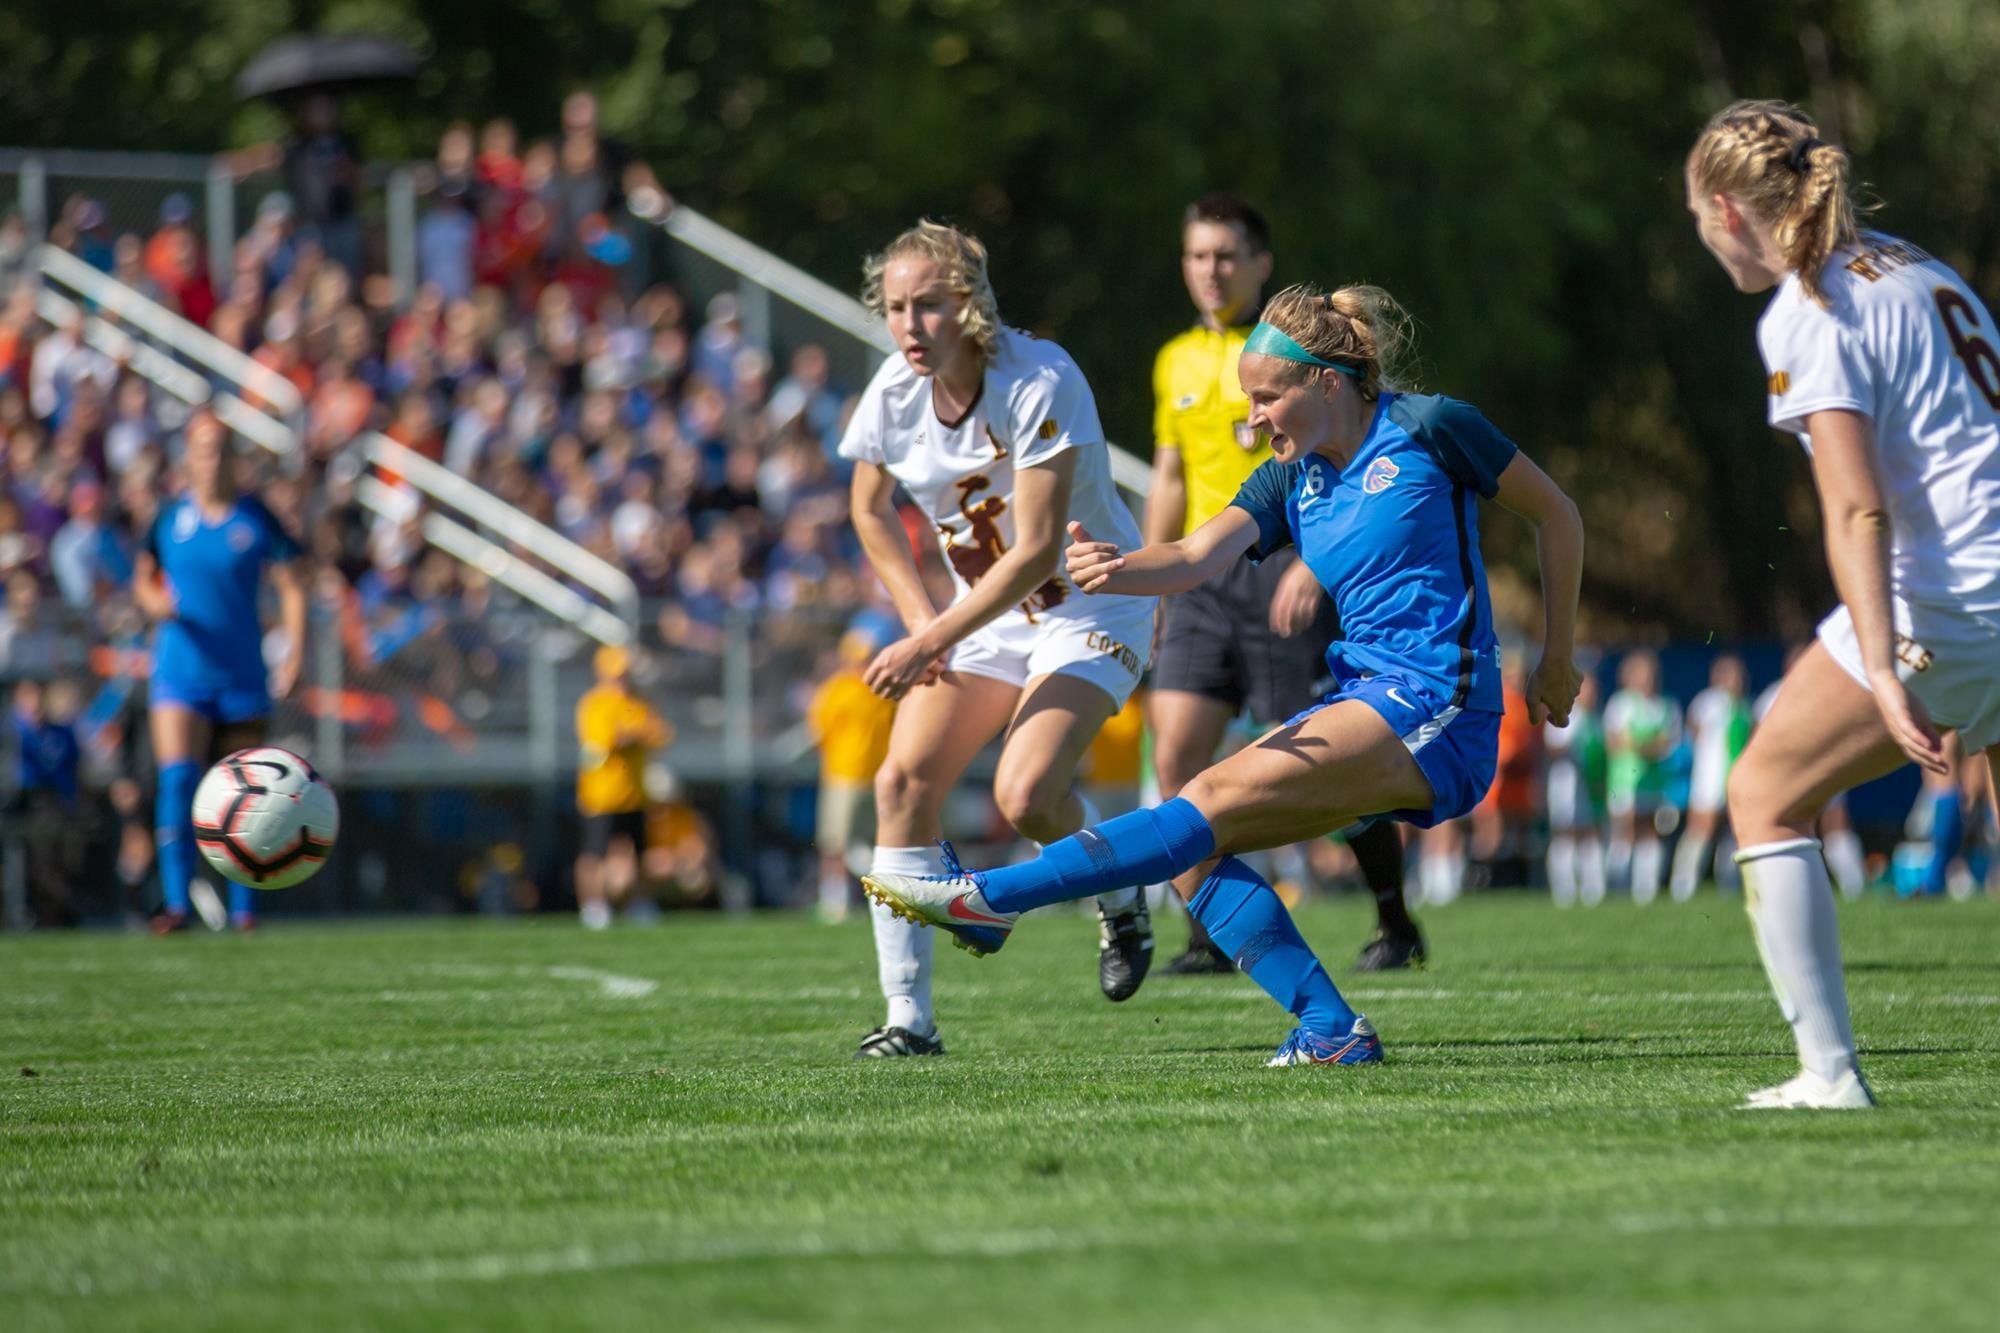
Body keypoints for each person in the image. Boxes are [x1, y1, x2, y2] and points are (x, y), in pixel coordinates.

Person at [863, 282, 1584, 1066]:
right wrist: (1115, 567)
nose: (1253, 420)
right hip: (1370, 697)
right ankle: (1329, 1030)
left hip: (1440, 702)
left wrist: (1556, 658)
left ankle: (992, 899)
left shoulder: (1432, 426)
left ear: (1326, 382)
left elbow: (1558, 514)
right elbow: (1192, 556)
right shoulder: (1289, 477)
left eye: (1266, 398)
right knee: (1195, 843)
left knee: (1197, 805)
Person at [1687, 100, 2000, 1107]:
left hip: (1949, 592)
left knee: (1761, 793)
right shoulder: (1913, 263)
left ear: (1728, 210)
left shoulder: (1806, 306)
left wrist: (1878, 665)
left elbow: (1856, 509)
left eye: (1695, 215)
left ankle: (1827, 1075)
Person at [842, 220, 1159, 1057]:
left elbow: (1037, 552)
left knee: (1025, 797)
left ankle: (1120, 893)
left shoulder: (1041, 376)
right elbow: (867, 508)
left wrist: (926, 639)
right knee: (902, 778)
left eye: (931, 305)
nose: (910, 325)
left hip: (1087, 606)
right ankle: (909, 1018)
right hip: (984, 619)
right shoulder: (891, 390)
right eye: (897, 307)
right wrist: (919, 619)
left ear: (972, 306)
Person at [1146, 194, 1422, 974]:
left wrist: (1313, 562)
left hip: (1285, 573)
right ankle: (1212, 936)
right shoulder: (1173, 360)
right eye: (1198, 255)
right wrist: (1154, 576)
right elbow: (1169, 474)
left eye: (1227, 255)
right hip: (1201, 580)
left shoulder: (1297, 357)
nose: (1211, 269)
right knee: (1176, 757)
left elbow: (1347, 466)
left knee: (1314, 760)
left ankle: (1394, 917)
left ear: (1262, 265)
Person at [134, 413, 305, 933]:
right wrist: (156, 603)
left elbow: (292, 584)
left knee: (247, 792)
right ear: (189, 457)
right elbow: (143, 579)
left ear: (234, 458)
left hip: (241, 672)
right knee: (178, 780)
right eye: (203, 450)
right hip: (180, 669)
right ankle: (176, 903)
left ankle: (245, 910)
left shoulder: (255, 518)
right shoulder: (169, 519)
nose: (212, 460)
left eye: (221, 449)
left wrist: (294, 650)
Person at [574, 643, 672, 929]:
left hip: (633, 795)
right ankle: (593, 905)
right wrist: (633, 733)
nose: (621, 680)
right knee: (594, 855)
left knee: (639, 854)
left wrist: (634, 733)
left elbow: (660, 733)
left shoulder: (638, 703)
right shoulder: (594, 704)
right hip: (600, 796)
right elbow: (604, 741)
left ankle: (640, 904)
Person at [806, 626, 899, 923]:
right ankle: (835, 900)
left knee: (876, 842)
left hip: (876, 776)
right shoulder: (836, 690)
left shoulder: (884, 690)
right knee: (835, 843)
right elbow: (820, 732)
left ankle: (877, 899)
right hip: (843, 776)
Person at [1669, 654, 1752, 901]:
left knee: (1734, 830)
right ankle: (1683, 884)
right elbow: (1693, 730)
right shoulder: (1708, 702)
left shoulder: (1745, 706)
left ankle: (1728, 883)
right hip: (1710, 778)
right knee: (1701, 828)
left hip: (1736, 777)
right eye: (1730, 674)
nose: (1736, 680)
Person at [1603, 651, 1680, 904]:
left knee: (1650, 831)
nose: (1645, 679)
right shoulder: (1621, 703)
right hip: (1625, 782)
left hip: (1655, 782)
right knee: (1625, 830)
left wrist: (1639, 745)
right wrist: (1648, 746)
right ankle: (1617, 885)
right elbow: (1615, 741)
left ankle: (1645, 889)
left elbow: (1668, 743)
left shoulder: (1666, 705)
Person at [1545, 670, 1608, 906]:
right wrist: (1572, 748)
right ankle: (1564, 891)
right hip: (1566, 786)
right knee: (1565, 833)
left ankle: (1593, 889)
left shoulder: (1595, 720)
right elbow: (1552, 748)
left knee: (1589, 832)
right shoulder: (1563, 715)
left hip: (1589, 786)